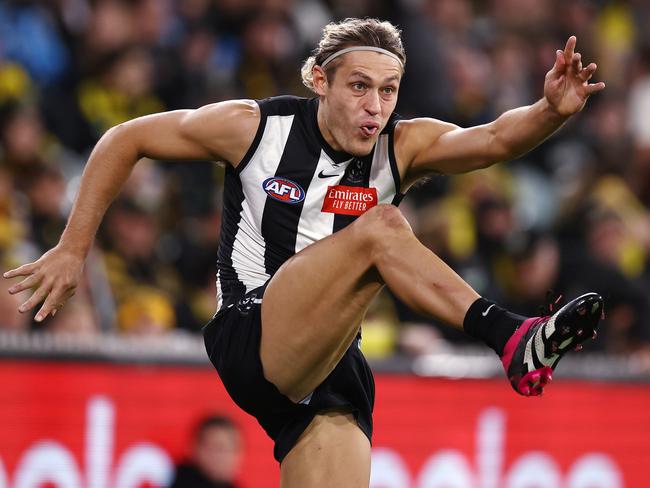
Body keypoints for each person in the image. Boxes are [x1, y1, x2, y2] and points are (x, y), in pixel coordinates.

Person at [3, 18, 605, 488]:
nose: (375, 107)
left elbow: (496, 138)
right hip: (253, 328)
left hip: (329, 363)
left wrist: (550, 111)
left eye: (388, 91)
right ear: (319, 80)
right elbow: (125, 137)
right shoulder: (254, 128)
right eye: (360, 87)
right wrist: (71, 249)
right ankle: (512, 338)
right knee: (380, 227)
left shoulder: (402, 147)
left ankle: (517, 344)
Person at [169, 415, 243, 488]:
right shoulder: (170, 479)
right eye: (217, 448)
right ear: (194, 448)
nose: (223, 457)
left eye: (231, 449)